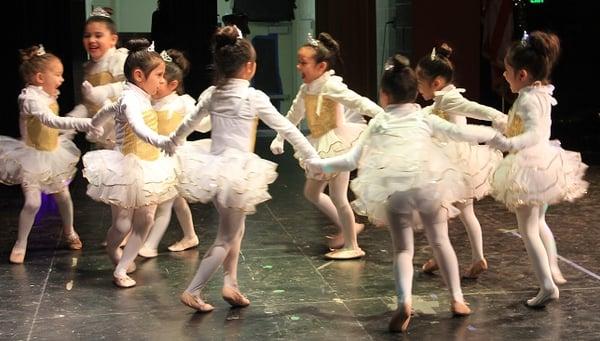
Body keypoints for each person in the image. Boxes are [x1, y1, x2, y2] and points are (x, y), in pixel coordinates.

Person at [306, 54, 501, 332]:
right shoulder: (424, 118)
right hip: (428, 185)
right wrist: (497, 135)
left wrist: (320, 163)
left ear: (384, 96)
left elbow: (350, 161)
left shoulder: (378, 123)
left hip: (395, 189)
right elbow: (462, 133)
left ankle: (404, 302)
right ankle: (457, 299)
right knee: (440, 241)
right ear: (415, 95)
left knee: (403, 250)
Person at [166, 25, 319, 312]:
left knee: (235, 230)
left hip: (215, 169)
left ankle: (231, 283)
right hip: (236, 172)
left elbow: (187, 125)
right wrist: (312, 156)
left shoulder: (213, 93)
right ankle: (193, 289)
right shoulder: (253, 97)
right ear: (250, 67)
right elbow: (287, 127)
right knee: (226, 236)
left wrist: (171, 143)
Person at [487, 31, 588, 307]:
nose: (504, 77)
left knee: (528, 229)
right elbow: (527, 127)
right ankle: (552, 268)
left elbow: (532, 135)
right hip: (542, 165)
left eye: (506, 72)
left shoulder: (530, 99)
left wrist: (506, 141)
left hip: (530, 167)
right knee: (539, 223)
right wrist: (504, 127)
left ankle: (547, 285)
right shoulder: (539, 93)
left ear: (521, 74)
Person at [269, 32, 384, 259]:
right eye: (299, 61)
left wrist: (383, 115)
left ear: (321, 66)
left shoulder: (331, 86)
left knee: (336, 196)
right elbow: (293, 116)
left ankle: (352, 243)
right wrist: (279, 136)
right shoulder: (306, 89)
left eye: (303, 62)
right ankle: (349, 230)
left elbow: (358, 101)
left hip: (337, 145)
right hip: (321, 146)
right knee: (313, 192)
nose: (298, 66)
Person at [83, 38, 177, 288]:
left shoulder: (142, 96)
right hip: (127, 168)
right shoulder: (130, 100)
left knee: (146, 219)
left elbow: (106, 111)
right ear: (138, 75)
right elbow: (137, 125)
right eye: (158, 75)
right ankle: (114, 251)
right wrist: (161, 140)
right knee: (123, 223)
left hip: (150, 166)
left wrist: (96, 125)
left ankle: (122, 268)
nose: (161, 80)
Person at [0, 45, 100, 264]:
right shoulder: (29, 99)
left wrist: (84, 112)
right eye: (57, 74)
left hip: (53, 153)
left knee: (63, 196)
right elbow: (50, 121)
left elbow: (56, 127)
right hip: (32, 158)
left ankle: (70, 231)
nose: (62, 79)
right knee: (33, 203)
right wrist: (85, 123)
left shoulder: (48, 94)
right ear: (39, 77)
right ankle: (21, 242)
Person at [415, 43, 506, 279]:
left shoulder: (449, 99)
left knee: (437, 211)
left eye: (419, 83)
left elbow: (474, 108)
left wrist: (498, 117)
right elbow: (429, 114)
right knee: (466, 213)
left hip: (451, 165)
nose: (417, 88)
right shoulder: (442, 100)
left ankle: (441, 254)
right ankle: (476, 257)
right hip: (458, 163)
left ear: (435, 83)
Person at [138, 49, 210, 258]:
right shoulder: (150, 102)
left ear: (173, 85)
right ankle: (190, 235)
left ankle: (150, 245)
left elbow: (203, 126)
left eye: (160, 81)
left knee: (165, 203)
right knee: (177, 199)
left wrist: (215, 113)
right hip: (156, 158)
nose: (156, 85)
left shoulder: (182, 103)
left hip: (176, 158)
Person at [76, 6, 128, 149]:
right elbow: (89, 103)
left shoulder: (117, 59)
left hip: (121, 130)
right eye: (87, 36)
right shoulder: (88, 67)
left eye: (98, 35)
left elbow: (129, 86)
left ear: (113, 39)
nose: (92, 40)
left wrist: (107, 90)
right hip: (101, 132)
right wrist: (74, 116)